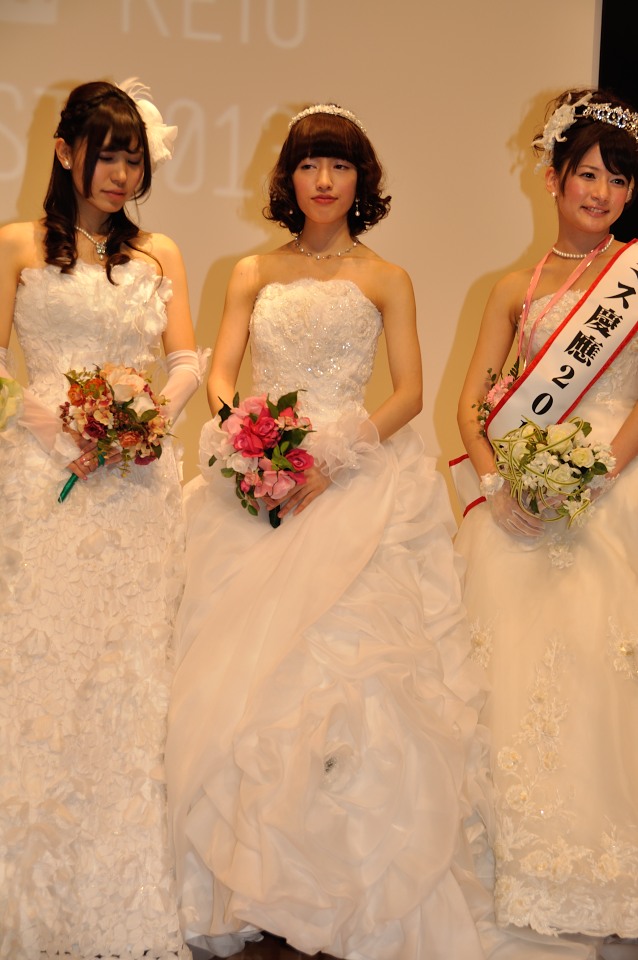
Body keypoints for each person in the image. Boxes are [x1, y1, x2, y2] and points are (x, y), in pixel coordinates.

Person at [165, 102, 496, 960]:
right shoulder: (251, 270)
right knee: (243, 683)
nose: (323, 180)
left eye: (340, 165)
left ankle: (351, 884)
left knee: (356, 688)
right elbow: (223, 372)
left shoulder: (387, 277)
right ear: (289, 177)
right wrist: (250, 444)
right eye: (310, 164)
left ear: (361, 180)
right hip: (261, 481)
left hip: (354, 478)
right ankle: (248, 884)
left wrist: (330, 458)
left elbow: (410, 393)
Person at [0, 78, 203, 958]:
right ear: (64, 152)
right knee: (40, 666)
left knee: (132, 676)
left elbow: (185, 359)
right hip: (39, 478)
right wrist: (56, 424)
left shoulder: (159, 252)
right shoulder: (15, 244)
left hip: (135, 484)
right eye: (107, 155)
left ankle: (125, 891)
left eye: (134, 159)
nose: (122, 175)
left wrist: (147, 419)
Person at [455, 88, 638, 956]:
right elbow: (471, 405)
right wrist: (499, 485)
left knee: (603, 678)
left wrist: (597, 475)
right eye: (589, 175)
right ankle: (515, 863)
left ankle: (601, 872)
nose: (603, 194)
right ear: (555, 177)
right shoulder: (510, 288)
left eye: (620, 180)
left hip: (614, 490)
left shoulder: (633, 278)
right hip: (522, 501)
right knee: (509, 677)